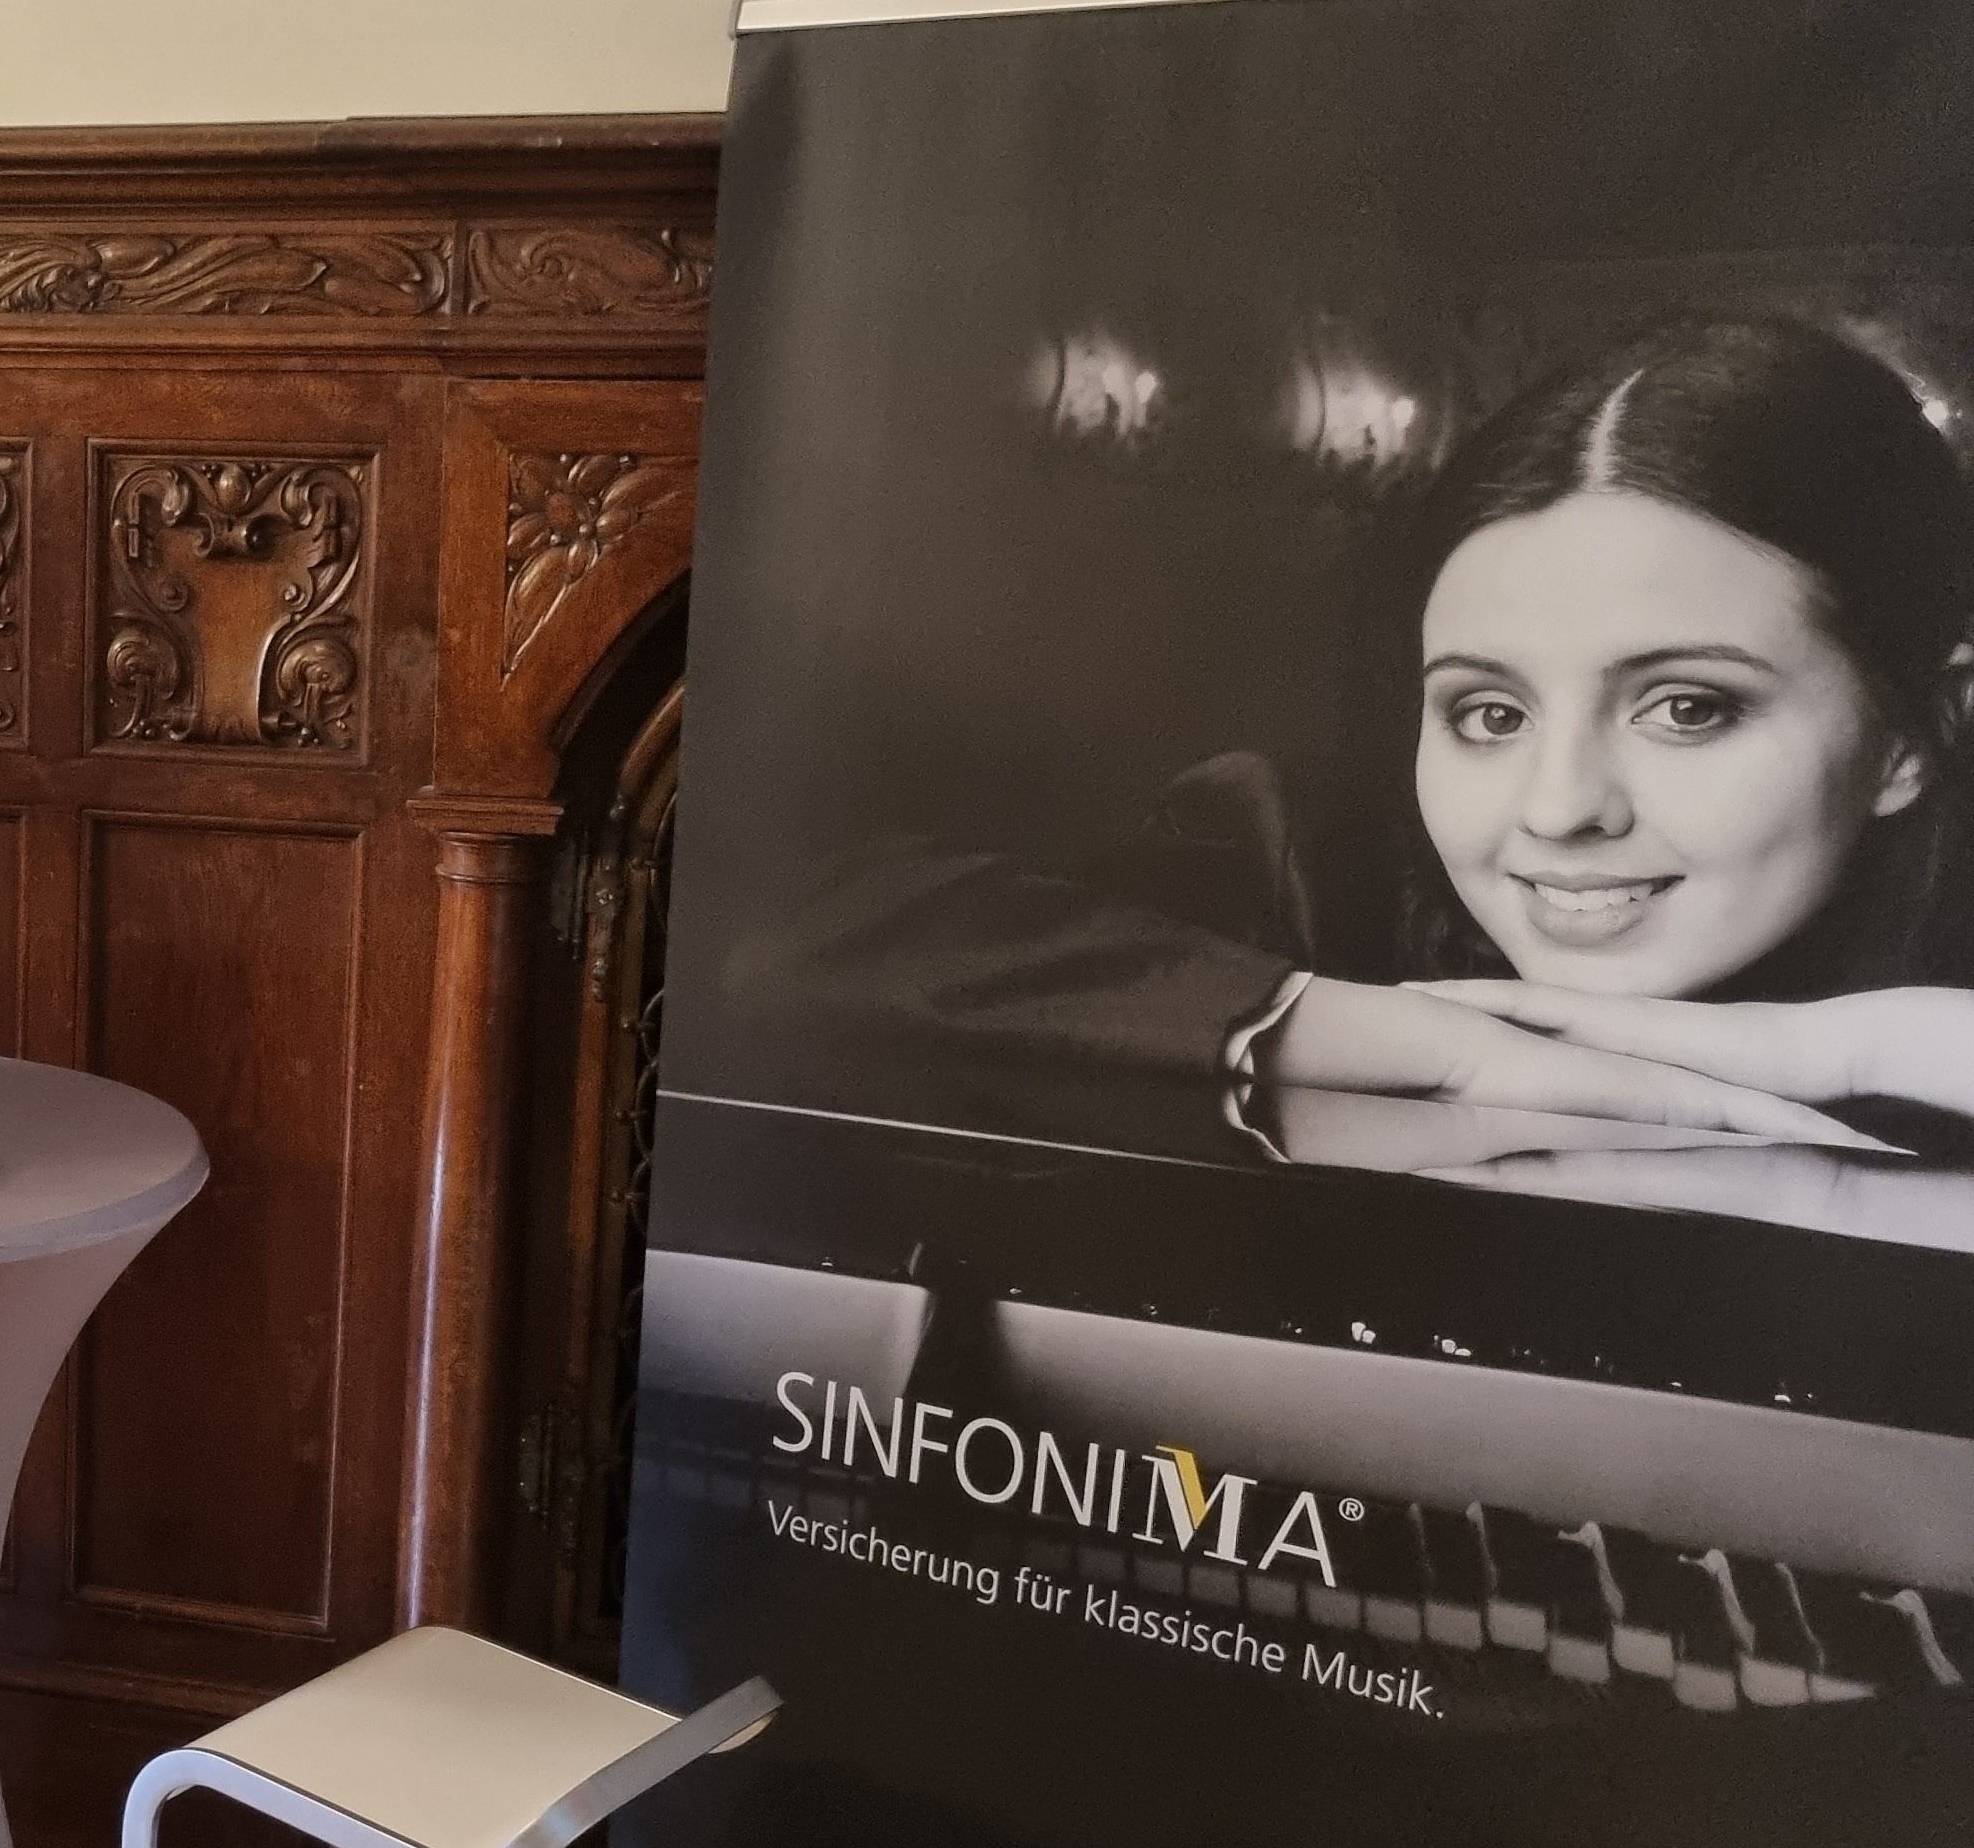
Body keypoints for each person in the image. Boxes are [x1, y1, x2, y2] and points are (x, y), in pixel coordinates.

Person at [739, 314, 1974, 1192]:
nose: (1557, 809)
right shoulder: (1306, 868)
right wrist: (1414, 1045)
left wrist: (1850, 1048)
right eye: (1489, 715)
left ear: (1915, 739)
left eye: (1687, 708)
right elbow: (776, 927)